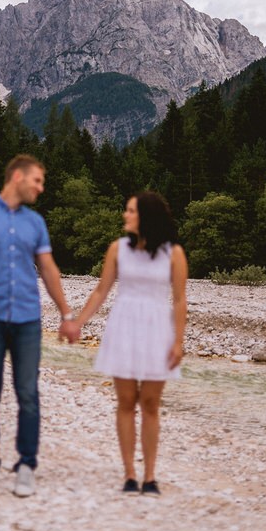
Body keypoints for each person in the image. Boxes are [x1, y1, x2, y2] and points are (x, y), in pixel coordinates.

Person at [0, 155, 75, 497]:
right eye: (37, 181)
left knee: (28, 395)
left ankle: (26, 466)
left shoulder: (35, 222)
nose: (41, 187)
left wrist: (66, 314)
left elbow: (48, 269)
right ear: (18, 177)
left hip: (27, 320)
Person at [62, 191, 187, 495]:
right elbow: (100, 292)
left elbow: (181, 299)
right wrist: (78, 323)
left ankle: (151, 476)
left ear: (146, 216)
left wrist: (179, 342)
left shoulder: (174, 253)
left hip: (158, 330)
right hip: (125, 327)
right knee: (127, 403)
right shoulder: (117, 249)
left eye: (130, 211)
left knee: (151, 404)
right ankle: (130, 473)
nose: (124, 215)